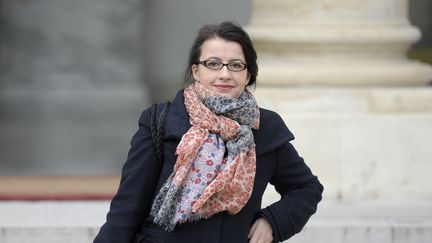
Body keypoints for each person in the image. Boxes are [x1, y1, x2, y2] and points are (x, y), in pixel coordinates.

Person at [94, 21, 323, 243]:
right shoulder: (161, 120)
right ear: (196, 71)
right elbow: (128, 207)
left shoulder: (266, 127)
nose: (224, 74)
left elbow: (306, 188)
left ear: (248, 75)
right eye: (213, 64)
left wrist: (271, 222)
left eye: (236, 65)